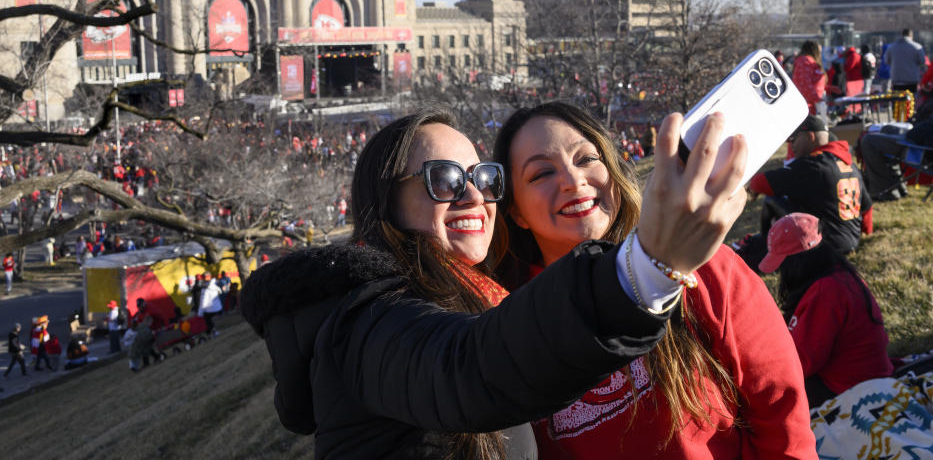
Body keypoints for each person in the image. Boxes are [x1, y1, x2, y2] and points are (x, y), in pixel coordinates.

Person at [242, 108, 745, 459]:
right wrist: (647, 267)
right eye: (444, 179)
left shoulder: (478, 296)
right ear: (387, 203)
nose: (473, 197)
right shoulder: (364, 321)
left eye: (482, 179)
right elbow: (468, 369)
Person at [493, 101, 816, 459]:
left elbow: (781, 410)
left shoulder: (701, 262)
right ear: (516, 212)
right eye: (541, 174)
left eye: (586, 159)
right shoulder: (509, 319)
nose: (573, 181)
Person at [759, 213, 893, 408]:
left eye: (783, 265)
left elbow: (802, 363)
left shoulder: (827, 292)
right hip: (855, 377)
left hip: (850, 387)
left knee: (760, 401)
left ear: (798, 261)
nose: (782, 273)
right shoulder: (835, 275)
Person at [745, 116, 873, 265]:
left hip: (825, 245)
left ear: (810, 136)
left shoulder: (812, 164)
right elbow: (867, 207)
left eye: (794, 139)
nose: (790, 144)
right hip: (851, 241)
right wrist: (867, 232)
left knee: (772, 201)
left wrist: (753, 189)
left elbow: (760, 182)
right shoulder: (850, 164)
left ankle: (766, 247)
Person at [858, 69, 933, 200]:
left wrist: (925, 131)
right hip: (925, 147)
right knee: (886, 130)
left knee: (868, 141)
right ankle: (895, 188)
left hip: (922, 152)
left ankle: (884, 190)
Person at [884, 28, 926, 94]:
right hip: (912, 80)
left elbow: (886, 61)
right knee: (911, 101)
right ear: (911, 36)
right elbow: (922, 61)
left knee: (898, 101)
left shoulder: (892, 47)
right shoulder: (917, 47)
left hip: (896, 79)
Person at [792, 40, 826, 116]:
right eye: (819, 51)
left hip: (811, 105)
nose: (820, 54)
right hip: (807, 106)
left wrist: (829, 88)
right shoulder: (805, 61)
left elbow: (813, 81)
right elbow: (804, 83)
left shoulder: (808, 61)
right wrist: (816, 98)